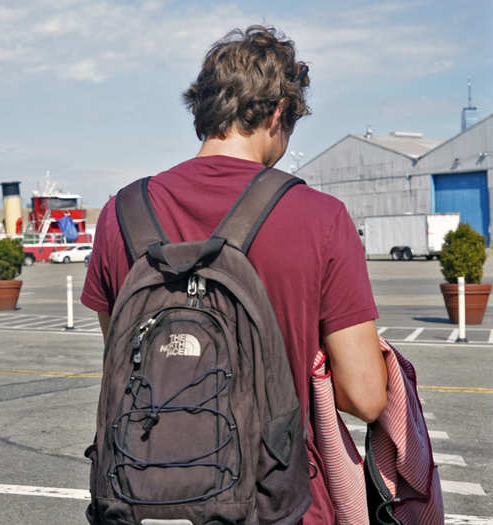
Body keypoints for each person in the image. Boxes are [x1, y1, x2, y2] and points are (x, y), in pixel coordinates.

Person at [81, 25, 387, 523]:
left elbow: (125, 356)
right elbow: (366, 397)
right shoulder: (320, 216)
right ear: (278, 112)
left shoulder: (121, 214)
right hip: (276, 503)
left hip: (141, 500)